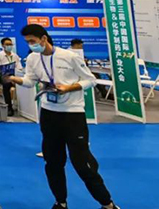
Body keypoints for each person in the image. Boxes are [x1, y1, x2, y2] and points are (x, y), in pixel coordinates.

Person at [9, 25, 120, 209]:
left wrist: (69, 88)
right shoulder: (33, 58)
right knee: (53, 162)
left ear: (44, 39)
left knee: (82, 164)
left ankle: (107, 204)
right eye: (27, 42)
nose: (30, 45)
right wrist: (14, 79)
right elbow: (30, 81)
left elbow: (91, 80)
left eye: (32, 41)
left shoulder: (69, 56)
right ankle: (60, 202)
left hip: (72, 115)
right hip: (48, 114)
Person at [0, 37, 21, 117]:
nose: (9, 46)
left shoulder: (15, 56)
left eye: (10, 44)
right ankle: (9, 108)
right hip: (3, 76)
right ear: (3, 45)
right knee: (6, 85)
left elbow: (19, 67)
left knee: (23, 83)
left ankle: (23, 108)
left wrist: (15, 78)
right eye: (7, 44)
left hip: (14, 75)